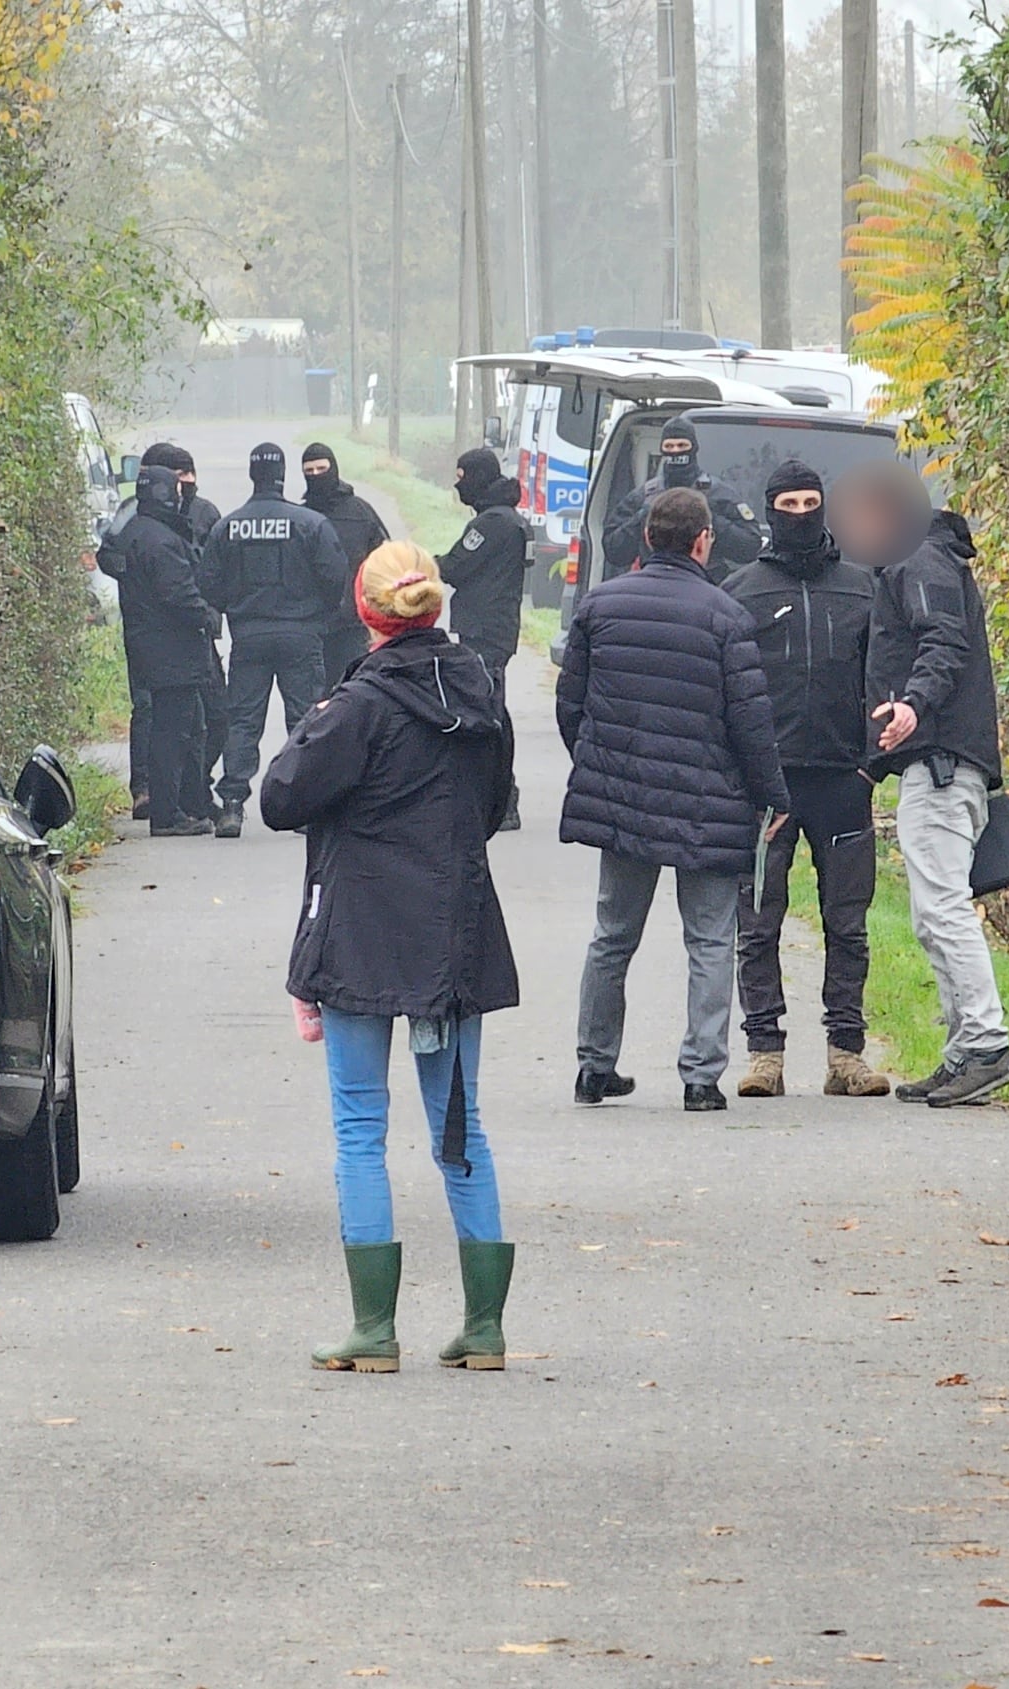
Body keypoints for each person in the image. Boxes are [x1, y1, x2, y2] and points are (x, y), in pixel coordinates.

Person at [262, 542, 520, 1374]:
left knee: (360, 1128)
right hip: (457, 931)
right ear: (436, 608)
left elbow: (281, 798)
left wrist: (315, 722)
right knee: (460, 1128)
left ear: (367, 612)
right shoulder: (482, 694)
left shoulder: (357, 706)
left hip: (363, 930)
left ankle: (374, 1330)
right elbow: (491, 805)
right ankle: (484, 1329)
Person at [558, 487, 791, 1112]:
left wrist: (598, 762)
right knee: (711, 940)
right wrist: (772, 796)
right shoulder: (726, 616)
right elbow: (751, 723)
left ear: (646, 538)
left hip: (624, 801)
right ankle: (700, 1078)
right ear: (702, 541)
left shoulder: (599, 606)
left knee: (612, 935)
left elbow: (569, 704)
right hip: (706, 805)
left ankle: (593, 1067)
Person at [720, 461, 890, 1099]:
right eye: (787, 502)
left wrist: (871, 764)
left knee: (848, 924)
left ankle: (846, 1054)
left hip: (845, 782)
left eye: (809, 500)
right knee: (758, 923)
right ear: (769, 510)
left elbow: (885, 679)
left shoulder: (862, 588)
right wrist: (745, 774)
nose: (799, 511)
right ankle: (765, 1052)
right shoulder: (742, 591)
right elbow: (727, 695)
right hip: (768, 789)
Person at [869, 499, 1009, 1107]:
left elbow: (943, 641)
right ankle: (964, 1051)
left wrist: (913, 705)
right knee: (932, 915)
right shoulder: (930, 556)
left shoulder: (917, 558)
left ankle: (986, 1045)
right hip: (946, 764)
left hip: (938, 765)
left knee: (944, 912)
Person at [199, 441, 352, 838]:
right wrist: (319, 614)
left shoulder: (228, 526)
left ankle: (232, 805)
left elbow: (208, 584)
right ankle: (305, 805)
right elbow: (335, 575)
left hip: (249, 636)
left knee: (243, 720)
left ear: (252, 475)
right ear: (285, 475)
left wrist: (235, 607)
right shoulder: (309, 523)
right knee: (304, 720)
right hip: (302, 634)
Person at [105, 442, 226, 823]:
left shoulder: (168, 523)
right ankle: (163, 805)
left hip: (164, 640)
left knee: (197, 724)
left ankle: (189, 800)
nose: (184, 487)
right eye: (176, 481)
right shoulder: (149, 532)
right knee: (169, 726)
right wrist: (205, 614)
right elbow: (176, 592)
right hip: (171, 643)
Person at [445, 448, 533, 832]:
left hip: (485, 632)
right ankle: (495, 796)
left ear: (478, 477)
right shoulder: (511, 520)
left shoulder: (492, 523)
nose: (457, 483)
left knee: (488, 712)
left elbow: (454, 567)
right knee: (489, 706)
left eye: (462, 475)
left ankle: (502, 797)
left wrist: (412, 561)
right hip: (496, 630)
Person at [600, 416, 764, 580]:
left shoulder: (718, 494)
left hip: (705, 584)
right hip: (655, 582)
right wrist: (644, 516)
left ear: (694, 447)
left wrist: (710, 517)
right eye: (669, 446)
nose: (676, 450)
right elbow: (613, 550)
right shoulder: (644, 496)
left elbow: (750, 546)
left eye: (682, 445)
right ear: (662, 449)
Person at [298, 441, 389, 688]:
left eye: (321, 468)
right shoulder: (299, 517)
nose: (316, 476)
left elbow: (385, 561)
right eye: (309, 472)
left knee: (355, 691)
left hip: (353, 623)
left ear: (334, 468)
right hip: (312, 624)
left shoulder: (360, 512)